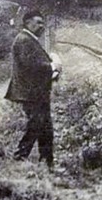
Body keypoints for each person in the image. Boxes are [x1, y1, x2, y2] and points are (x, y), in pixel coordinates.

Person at [5, 10, 61, 169]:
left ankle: (47, 163)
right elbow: (31, 65)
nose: (41, 26)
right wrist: (52, 66)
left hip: (37, 91)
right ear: (28, 22)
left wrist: (51, 70)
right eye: (38, 22)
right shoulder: (24, 40)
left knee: (45, 127)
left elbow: (35, 64)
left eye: (42, 23)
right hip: (30, 93)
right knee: (37, 124)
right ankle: (19, 158)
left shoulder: (30, 39)